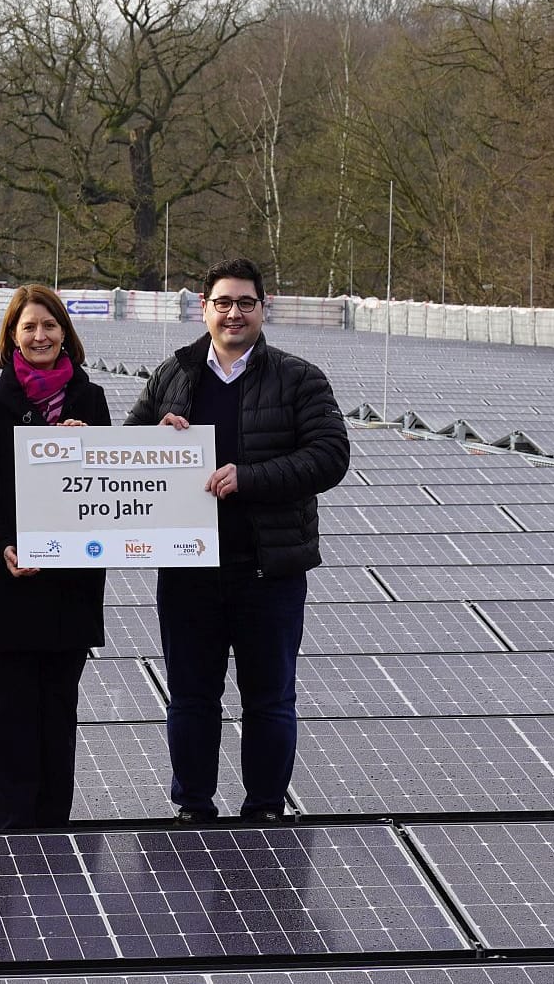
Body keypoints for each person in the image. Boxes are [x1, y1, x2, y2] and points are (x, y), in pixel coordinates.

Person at [125, 257, 349, 823]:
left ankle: (266, 810)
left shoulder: (300, 379)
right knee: (192, 700)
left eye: (245, 302)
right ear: (204, 308)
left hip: (266, 569)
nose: (233, 313)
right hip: (187, 571)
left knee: (269, 701)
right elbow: (126, 448)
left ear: (262, 309)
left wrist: (248, 478)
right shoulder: (172, 374)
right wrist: (153, 440)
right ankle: (193, 807)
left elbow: (329, 457)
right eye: (222, 302)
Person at [0, 284, 111, 830]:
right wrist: (4, 544)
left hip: (70, 580)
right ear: (12, 337)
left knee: (58, 709)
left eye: (50, 326)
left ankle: (53, 822)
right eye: (29, 327)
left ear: (65, 334)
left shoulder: (89, 401)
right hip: (9, 576)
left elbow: (106, 485)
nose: (41, 335)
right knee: (8, 710)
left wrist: (86, 443)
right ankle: (10, 824)